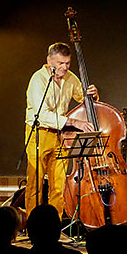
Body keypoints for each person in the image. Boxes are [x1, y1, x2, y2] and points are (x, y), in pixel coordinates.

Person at [24, 42, 96, 217]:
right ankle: (33, 225)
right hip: (39, 133)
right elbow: (42, 115)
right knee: (36, 183)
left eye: (67, 63)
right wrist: (74, 122)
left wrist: (92, 94)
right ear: (49, 60)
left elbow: (82, 97)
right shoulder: (38, 79)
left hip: (61, 136)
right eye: (60, 64)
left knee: (59, 183)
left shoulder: (70, 78)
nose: (64, 68)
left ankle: (54, 224)